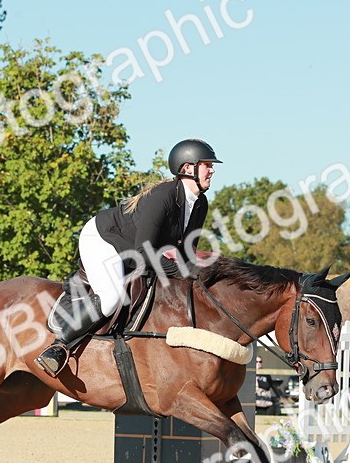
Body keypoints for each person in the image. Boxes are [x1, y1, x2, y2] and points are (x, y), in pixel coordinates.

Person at [35, 138, 221, 376]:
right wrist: (185, 269)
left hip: (133, 249)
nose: (212, 170)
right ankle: (58, 346)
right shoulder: (161, 196)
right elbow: (143, 253)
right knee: (111, 297)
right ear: (187, 168)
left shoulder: (199, 204)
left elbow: (186, 252)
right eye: (207, 165)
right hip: (104, 239)